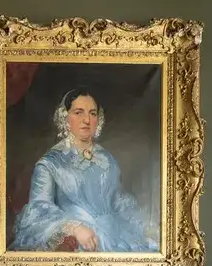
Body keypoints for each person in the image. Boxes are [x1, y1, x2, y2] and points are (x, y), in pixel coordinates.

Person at [10, 88, 158, 253]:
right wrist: (73, 228)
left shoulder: (106, 158)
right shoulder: (49, 164)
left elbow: (118, 200)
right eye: (78, 112)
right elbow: (39, 209)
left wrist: (146, 226)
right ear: (65, 117)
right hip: (78, 241)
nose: (86, 120)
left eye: (92, 113)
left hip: (116, 235)